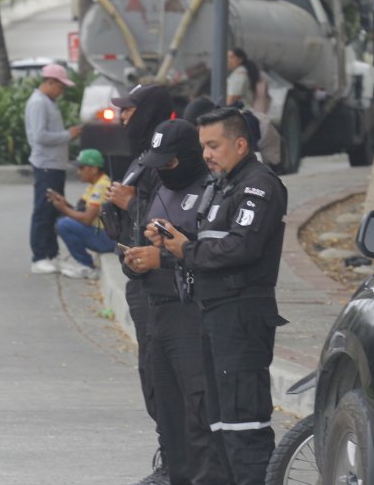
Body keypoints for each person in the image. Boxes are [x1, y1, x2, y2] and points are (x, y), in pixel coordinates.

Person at [147, 107, 289, 485]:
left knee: (244, 425)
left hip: (241, 315)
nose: (207, 154)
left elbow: (241, 248)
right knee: (220, 424)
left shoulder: (259, 186)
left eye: (214, 145)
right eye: (203, 146)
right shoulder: (224, 185)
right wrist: (172, 242)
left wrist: (185, 250)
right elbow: (209, 245)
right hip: (213, 314)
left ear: (240, 144)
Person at [123, 119, 230, 485]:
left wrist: (166, 257)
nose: (163, 171)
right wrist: (137, 260)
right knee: (166, 409)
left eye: (168, 163)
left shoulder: (213, 191)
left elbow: (216, 254)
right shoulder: (160, 188)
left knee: (197, 413)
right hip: (157, 311)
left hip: (192, 313)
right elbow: (143, 239)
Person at [101, 83, 175, 485]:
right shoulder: (140, 157)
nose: (123, 116)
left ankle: (175, 462)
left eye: (130, 110)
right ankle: (171, 455)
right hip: (139, 279)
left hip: (161, 279)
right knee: (150, 373)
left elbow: (171, 216)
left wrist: (131, 204)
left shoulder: (168, 158)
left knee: (162, 375)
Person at [25, 63, 81, 274]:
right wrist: (69, 135)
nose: (61, 91)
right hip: (46, 164)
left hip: (54, 164)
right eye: (60, 86)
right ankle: (39, 257)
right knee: (43, 211)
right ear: (50, 82)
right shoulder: (39, 103)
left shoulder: (48, 102)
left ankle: (51, 254)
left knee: (53, 211)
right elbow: (39, 136)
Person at [46, 148, 113, 280]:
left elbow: (87, 219)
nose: (78, 172)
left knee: (64, 224)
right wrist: (64, 204)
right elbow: (82, 211)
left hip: (108, 239)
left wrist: (64, 209)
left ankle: (87, 267)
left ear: (94, 169)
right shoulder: (94, 184)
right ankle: (85, 264)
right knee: (65, 221)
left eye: (82, 168)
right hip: (103, 234)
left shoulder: (101, 186)